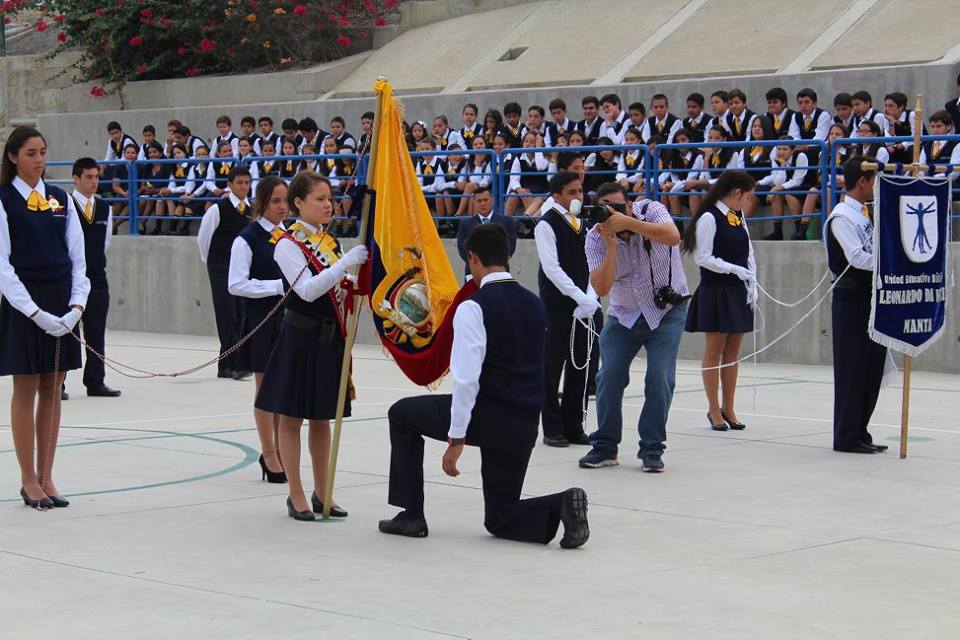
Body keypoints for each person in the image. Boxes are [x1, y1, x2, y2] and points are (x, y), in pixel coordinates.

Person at [379, 223, 590, 547]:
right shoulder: (535, 304)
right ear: (506, 256)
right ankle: (560, 502)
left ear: (472, 257)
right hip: (524, 424)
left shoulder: (473, 306)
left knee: (402, 414)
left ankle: (411, 514)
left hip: (487, 415)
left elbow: (467, 379)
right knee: (500, 518)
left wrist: (456, 438)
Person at [255, 172, 369, 520]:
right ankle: (297, 494)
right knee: (292, 419)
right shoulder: (288, 244)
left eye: (330, 199)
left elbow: (336, 285)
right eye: (319, 199)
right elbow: (306, 289)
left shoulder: (328, 241)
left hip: (329, 338)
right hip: (300, 338)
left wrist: (353, 277)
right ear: (298, 204)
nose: (328, 205)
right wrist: (345, 265)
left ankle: (324, 492)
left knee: (323, 419)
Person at [0, 126, 90, 509]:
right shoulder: (4, 200)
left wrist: (76, 307)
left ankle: (46, 474)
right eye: (31, 153)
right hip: (25, 302)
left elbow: (79, 260)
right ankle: (27, 479)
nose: (39, 160)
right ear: (13, 157)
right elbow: (3, 267)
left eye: (43, 152)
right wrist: (35, 312)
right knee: (26, 386)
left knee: (53, 386)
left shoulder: (61, 200)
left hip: (63, 303)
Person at [577, 183, 688, 472]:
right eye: (607, 207)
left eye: (619, 206)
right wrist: (612, 243)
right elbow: (600, 287)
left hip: (667, 313)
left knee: (659, 378)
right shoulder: (595, 239)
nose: (614, 211)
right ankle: (605, 447)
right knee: (608, 377)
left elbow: (673, 236)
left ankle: (652, 449)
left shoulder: (651, 211)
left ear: (630, 204)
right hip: (623, 315)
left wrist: (629, 223)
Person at [682, 171, 757, 432]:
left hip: (738, 289)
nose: (749, 200)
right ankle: (713, 408)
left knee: (733, 352)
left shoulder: (738, 216)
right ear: (736, 193)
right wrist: (734, 270)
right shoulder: (709, 218)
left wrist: (751, 279)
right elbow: (702, 257)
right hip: (717, 289)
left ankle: (729, 406)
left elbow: (749, 251)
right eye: (747, 195)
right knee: (714, 350)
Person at [228, 176, 289, 484]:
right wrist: (277, 287)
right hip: (262, 320)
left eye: (285, 200)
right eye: (275, 201)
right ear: (261, 203)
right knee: (266, 388)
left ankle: (283, 448)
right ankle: (269, 453)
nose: (282, 207)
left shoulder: (290, 236)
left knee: (284, 389)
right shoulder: (247, 238)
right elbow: (236, 283)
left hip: (289, 320)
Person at [825, 157, 887, 454]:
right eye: (872, 180)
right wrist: (889, 264)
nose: (874, 185)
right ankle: (847, 435)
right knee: (852, 369)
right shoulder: (842, 216)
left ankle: (860, 429)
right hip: (851, 298)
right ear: (862, 182)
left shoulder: (864, 213)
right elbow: (857, 258)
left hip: (870, 297)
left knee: (871, 368)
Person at [534, 171, 599, 448]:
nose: (578, 197)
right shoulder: (546, 224)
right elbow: (552, 268)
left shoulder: (584, 225)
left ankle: (575, 424)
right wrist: (576, 295)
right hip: (558, 305)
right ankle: (552, 427)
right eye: (572, 193)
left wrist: (590, 296)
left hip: (585, 306)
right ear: (557, 196)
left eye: (580, 191)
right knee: (551, 367)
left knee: (581, 366)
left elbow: (596, 261)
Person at [69, 157, 121, 398]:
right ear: (76, 179)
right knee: (67, 333)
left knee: (96, 332)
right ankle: (58, 383)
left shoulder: (104, 208)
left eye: (96, 177)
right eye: (88, 177)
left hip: (97, 279)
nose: (94, 182)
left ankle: (95, 381)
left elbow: (105, 243)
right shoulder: (65, 205)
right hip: (69, 280)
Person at [197, 166, 254, 381]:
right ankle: (232, 363)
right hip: (220, 266)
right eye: (239, 183)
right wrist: (212, 263)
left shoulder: (252, 210)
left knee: (240, 314)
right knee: (227, 314)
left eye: (247, 183)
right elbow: (204, 239)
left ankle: (229, 364)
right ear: (230, 185)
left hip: (241, 270)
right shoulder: (217, 210)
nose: (243, 187)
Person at [456, 186, 516, 279]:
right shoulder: (465, 224)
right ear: (474, 203)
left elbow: (510, 246)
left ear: (492, 200)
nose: (482, 203)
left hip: (500, 272)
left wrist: (495, 265)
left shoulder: (506, 222)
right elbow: (463, 249)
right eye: (479, 201)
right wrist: (478, 265)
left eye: (485, 200)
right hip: (473, 273)